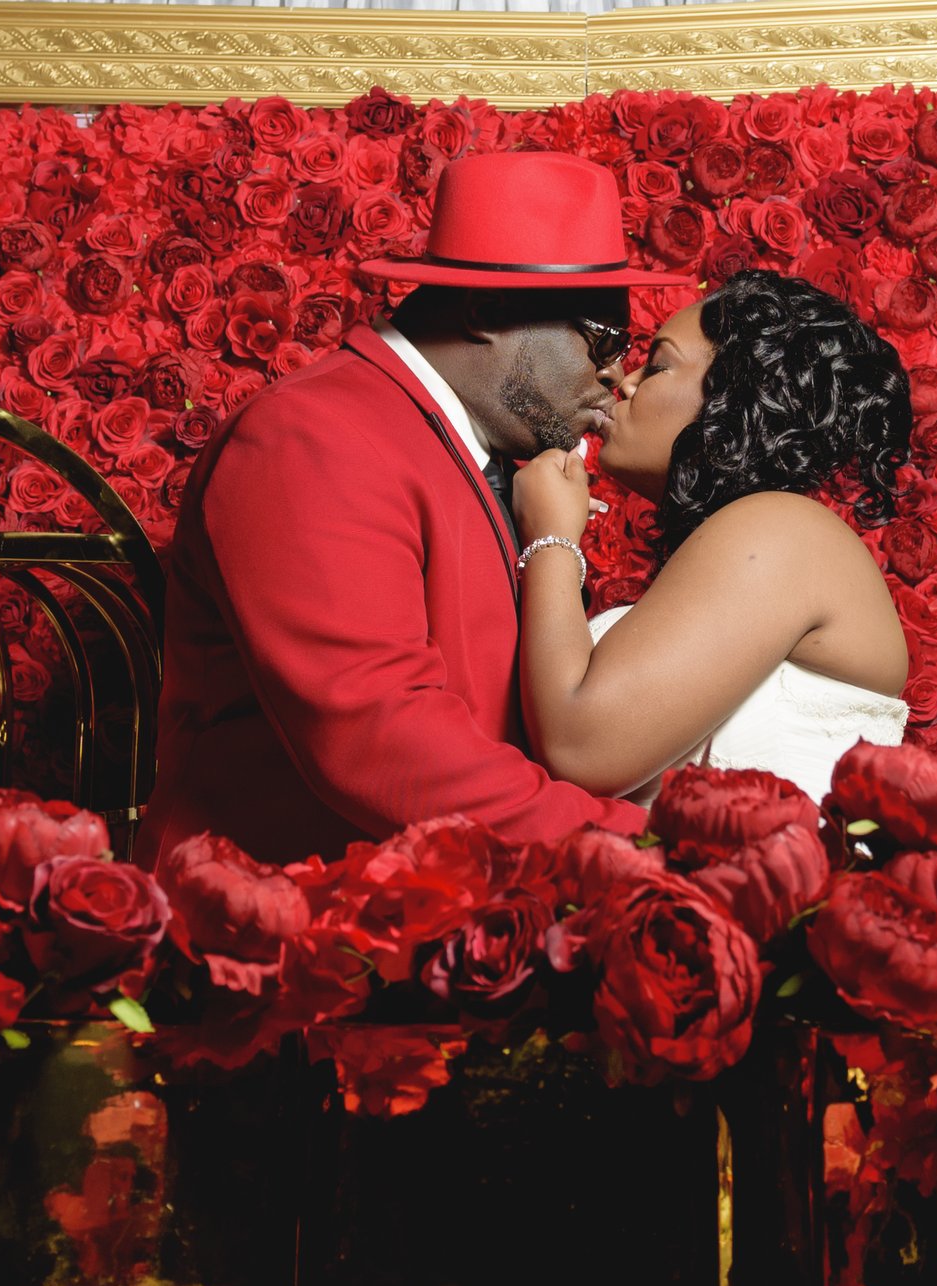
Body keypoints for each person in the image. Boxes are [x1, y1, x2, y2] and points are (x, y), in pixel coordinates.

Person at [141, 151, 690, 867]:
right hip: (279, 928)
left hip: (438, 908)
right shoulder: (313, 436)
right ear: (490, 312)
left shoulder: (478, 452)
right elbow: (378, 739)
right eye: (605, 340)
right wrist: (635, 845)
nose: (619, 374)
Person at [509, 269, 913, 805]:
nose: (622, 383)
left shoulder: (781, 530)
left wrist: (553, 540)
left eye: (657, 366)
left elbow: (581, 748)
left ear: (739, 396)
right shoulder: (759, 534)